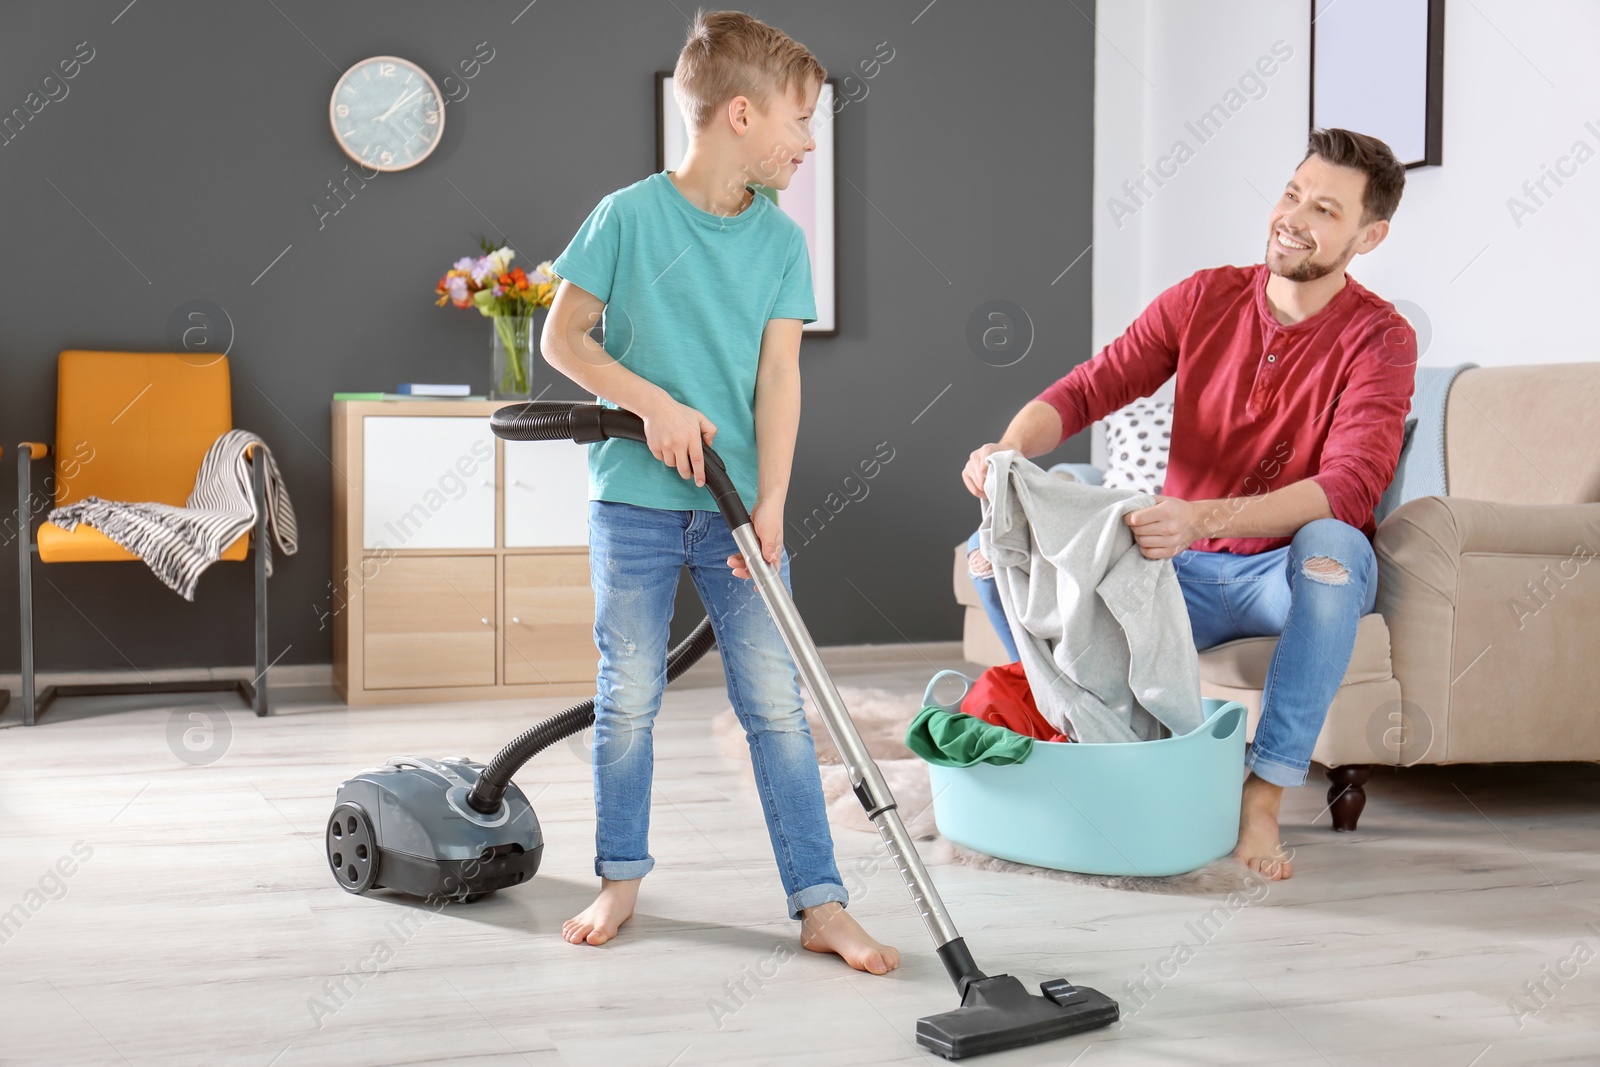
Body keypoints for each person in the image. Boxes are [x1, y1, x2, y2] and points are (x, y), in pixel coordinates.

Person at [540, 9, 898, 973]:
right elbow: (561, 341)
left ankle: (820, 903)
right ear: (740, 114)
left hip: (742, 509)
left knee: (777, 707)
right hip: (634, 502)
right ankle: (619, 879)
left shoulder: (781, 243)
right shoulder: (626, 216)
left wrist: (774, 499)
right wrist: (652, 402)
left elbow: (779, 379)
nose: (809, 141)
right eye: (799, 120)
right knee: (631, 698)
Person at [962, 128, 1417, 881]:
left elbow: (1348, 485)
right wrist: (1008, 451)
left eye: (1325, 210)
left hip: (1285, 576)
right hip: (1187, 572)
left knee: (1335, 547)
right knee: (994, 552)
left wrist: (1198, 518)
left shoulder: (1381, 338)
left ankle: (1264, 797)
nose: (1294, 217)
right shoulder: (1206, 297)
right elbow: (1090, 387)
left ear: (1370, 235)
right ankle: (1082, 743)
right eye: (1292, 193)